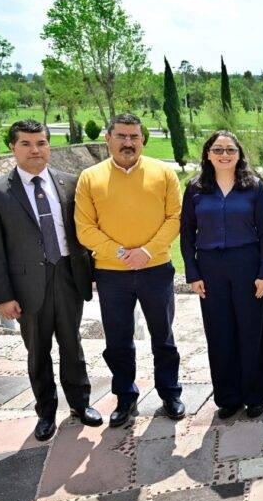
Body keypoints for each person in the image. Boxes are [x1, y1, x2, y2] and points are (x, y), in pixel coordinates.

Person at [0, 120, 102, 441]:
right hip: (27, 285)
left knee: (72, 345)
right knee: (38, 350)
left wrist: (90, 274)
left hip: (68, 277)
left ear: (49, 145)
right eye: (26, 144)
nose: (35, 150)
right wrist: (3, 296)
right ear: (13, 148)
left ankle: (80, 403)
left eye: (41, 143)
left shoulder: (71, 183)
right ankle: (46, 412)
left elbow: (83, 236)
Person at [75, 113, 184, 427]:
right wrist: (122, 253)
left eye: (134, 137)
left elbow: (174, 218)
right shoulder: (90, 177)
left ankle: (170, 393)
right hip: (111, 273)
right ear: (108, 138)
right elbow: (85, 228)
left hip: (157, 269)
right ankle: (125, 397)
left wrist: (147, 251)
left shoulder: (163, 173)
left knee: (163, 337)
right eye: (121, 136)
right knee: (118, 340)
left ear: (142, 139)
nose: (128, 143)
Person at [181, 130, 263, 420]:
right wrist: (193, 272)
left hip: (246, 264)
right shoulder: (195, 188)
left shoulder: (255, 188)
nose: (224, 155)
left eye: (230, 150)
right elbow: (186, 233)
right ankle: (229, 397)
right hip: (210, 268)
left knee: (251, 331)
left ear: (239, 154)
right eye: (218, 149)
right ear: (208, 154)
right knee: (220, 333)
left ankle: (255, 396)